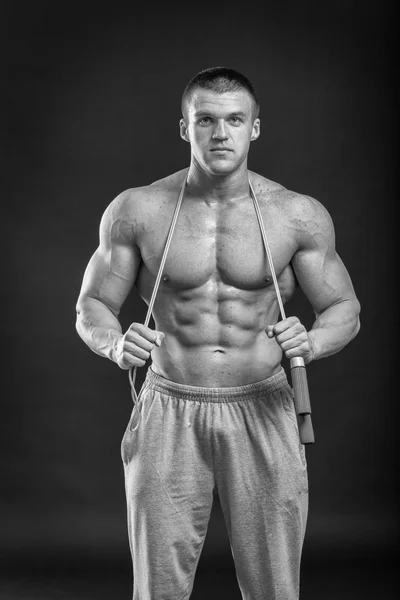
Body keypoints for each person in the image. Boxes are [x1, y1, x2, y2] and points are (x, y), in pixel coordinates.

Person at [75, 66, 360, 600]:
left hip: (265, 406)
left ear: (255, 128)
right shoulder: (137, 211)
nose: (220, 133)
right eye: (206, 120)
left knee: (275, 586)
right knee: (157, 586)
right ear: (186, 128)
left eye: (234, 120)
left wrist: (313, 342)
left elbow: (345, 307)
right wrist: (114, 343)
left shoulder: (297, 216)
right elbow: (91, 303)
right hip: (170, 408)